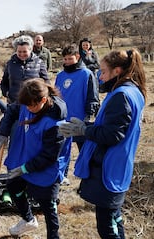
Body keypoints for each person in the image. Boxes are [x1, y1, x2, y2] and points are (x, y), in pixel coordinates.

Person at [59, 49, 146, 239]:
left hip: (109, 166)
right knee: (115, 217)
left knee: (107, 226)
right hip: (118, 163)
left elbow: (112, 134)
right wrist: (87, 125)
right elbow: (112, 126)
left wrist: (84, 130)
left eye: (104, 71)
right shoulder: (133, 91)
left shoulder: (121, 95)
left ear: (117, 71)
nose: (100, 76)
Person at [0, 79, 67, 238]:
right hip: (25, 157)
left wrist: (24, 169)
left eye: (31, 106)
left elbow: (49, 156)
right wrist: (3, 131)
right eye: (26, 105)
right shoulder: (28, 103)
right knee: (14, 187)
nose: (27, 109)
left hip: (46, 168)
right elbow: (12, 111)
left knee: (48, 207)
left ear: (43, 100)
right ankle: (28, 219)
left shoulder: (55, 124)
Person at [54, 43, 100, 185]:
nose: (67, 62)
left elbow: (93, 97)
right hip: (62, 119)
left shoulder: (86, 74)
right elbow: (55, 96)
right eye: (65, 59)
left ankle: (88, 176)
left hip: (79, 120)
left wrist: (89, 115)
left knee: (84, 150)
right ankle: (61, 176)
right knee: (62, 150)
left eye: (70, 59)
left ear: (78, 57)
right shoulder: (60, 75)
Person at [1, 35, 49, 104]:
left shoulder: (39, 62)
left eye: (24, 51)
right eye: (19, 52)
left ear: (30, 49)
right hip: (14, 102)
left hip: (33, 104)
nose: (22, 54)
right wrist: (7, 93)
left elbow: (46, 81)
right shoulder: (10, 63)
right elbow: (4, 82)